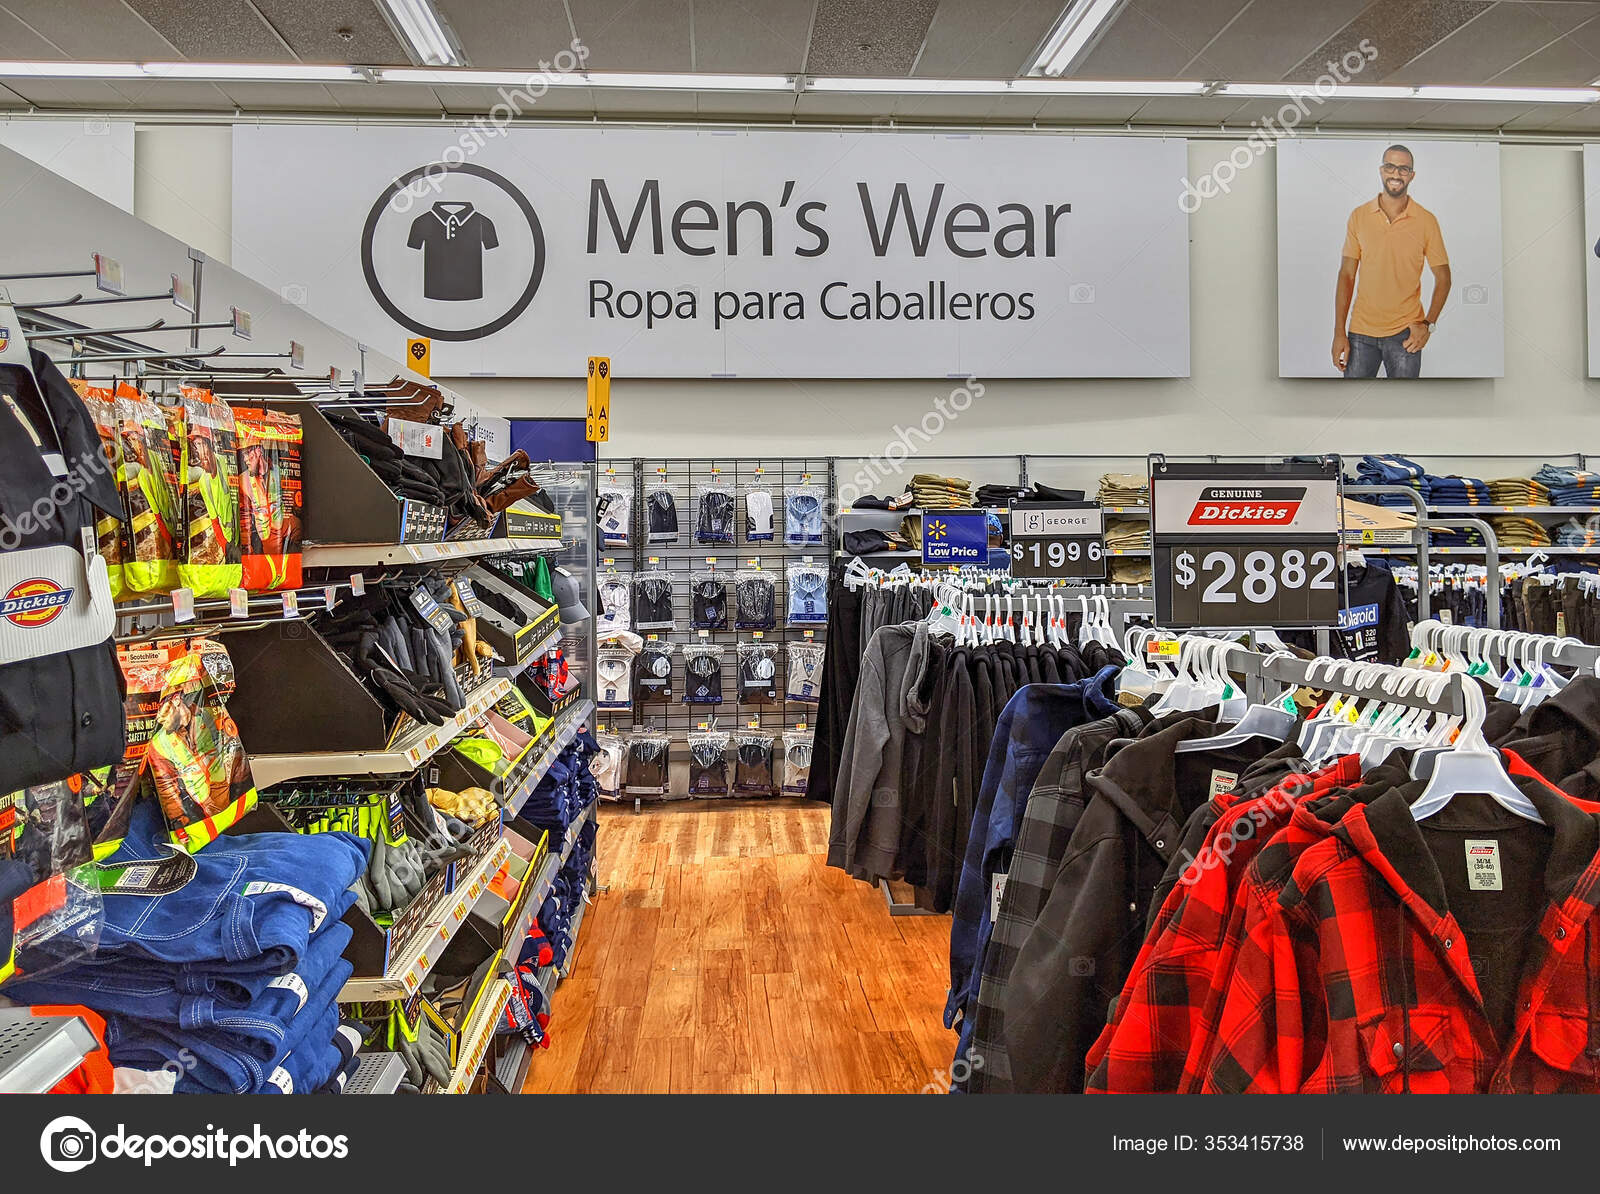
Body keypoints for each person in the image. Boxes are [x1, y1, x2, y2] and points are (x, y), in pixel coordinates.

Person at [1331, 144, 1451, 378]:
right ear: (1381, 170)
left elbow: (1444, 278)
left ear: (1412, 175)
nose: (1396, 174)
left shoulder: (1427, 221)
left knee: (1405, 409)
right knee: (1352, 411)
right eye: (1390, 166)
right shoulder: (1359, 216)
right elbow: (1346, 274)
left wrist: (1428, 325)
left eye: (1403, 169)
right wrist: (1338, 333)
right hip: (1360, 333)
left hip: (1406, 334)